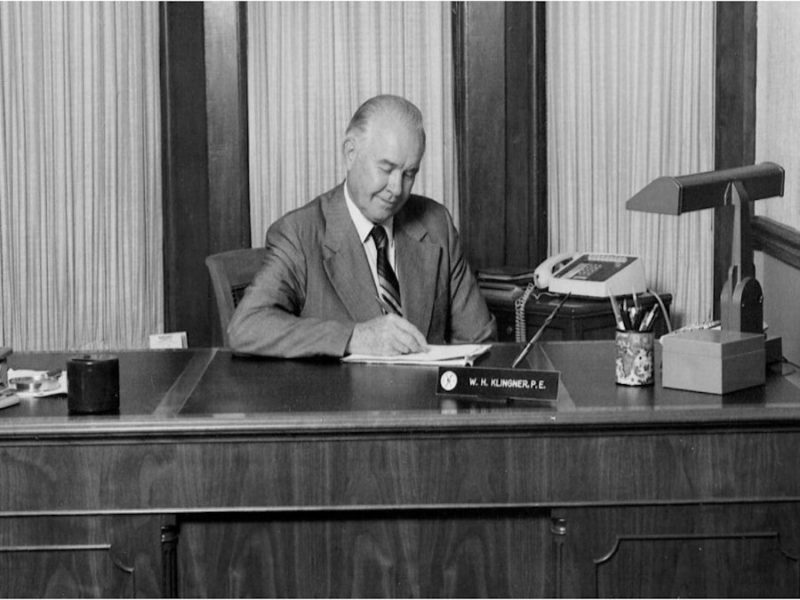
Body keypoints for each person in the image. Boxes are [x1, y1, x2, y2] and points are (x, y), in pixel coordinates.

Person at [228, 94, 496, 357]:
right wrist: (353, 337)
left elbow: (480, 341)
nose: (396, 188)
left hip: (426, 398)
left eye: (409, 174)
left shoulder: (437, 224)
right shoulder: (299, 233)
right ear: (351, 153)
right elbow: (246, 327)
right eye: (386, 168)